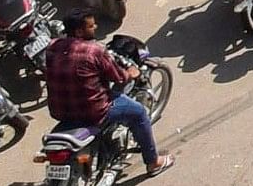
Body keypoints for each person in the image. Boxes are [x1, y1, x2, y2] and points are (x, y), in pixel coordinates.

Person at [44, 11, 169, 176]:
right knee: (138, 113)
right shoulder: (94, 51)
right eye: (90, 26)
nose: (95, 27)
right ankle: (154, 162)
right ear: (79, 32)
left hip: (60, 111)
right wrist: (131, 72)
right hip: (94, 111)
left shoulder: (52, 47)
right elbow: (118, 78)